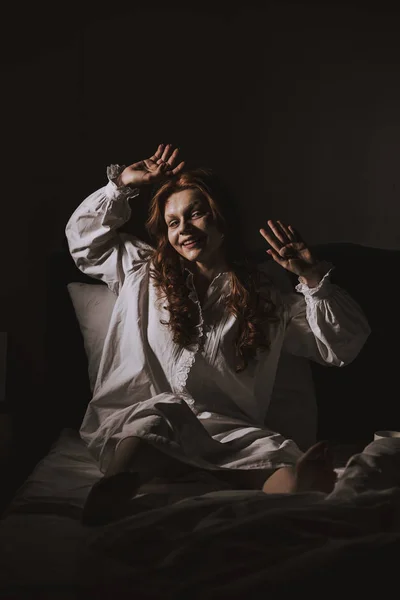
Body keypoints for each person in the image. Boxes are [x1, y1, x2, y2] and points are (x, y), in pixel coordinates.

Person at [65, 143, 371, 525]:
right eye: (173, 222)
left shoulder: (265, 296)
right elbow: (84, 242)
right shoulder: (142, 270)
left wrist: (310, 278)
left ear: (221, 219)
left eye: (195, 215)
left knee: (270, 451)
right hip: (142, 424)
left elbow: (340, 347)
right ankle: (112, 491)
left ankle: (295, 487)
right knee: (156, 419)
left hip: (229, 430)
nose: (184, 230)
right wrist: (123, 184)